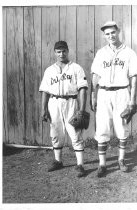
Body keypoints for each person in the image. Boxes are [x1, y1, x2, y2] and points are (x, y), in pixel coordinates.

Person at [90, 21, 137, 178]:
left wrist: (132, 100)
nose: (110, 36)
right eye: (107, 34)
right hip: (104, 93)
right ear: (104, 35)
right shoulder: (101, 53)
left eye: (113, 32)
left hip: (122, 92)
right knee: (102, 128)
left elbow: (133, 78)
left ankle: (121, 160)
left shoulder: (129, 53)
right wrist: (93, 95)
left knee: (121, 127)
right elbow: (95, 76)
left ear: (118, 31)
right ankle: (102, 164)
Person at [39, 41, 88, 177]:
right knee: (55, 133)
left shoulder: (76, 68)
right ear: (55, 53)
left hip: (71, 102)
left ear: (68, 51)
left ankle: (80, 165)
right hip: (54, 102)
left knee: (75, 133)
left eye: (64, 51)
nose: (61, 54)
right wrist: (43, 109)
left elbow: (83, 90)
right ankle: (58, 161)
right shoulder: (49, 70)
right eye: (58, 51)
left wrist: (82, 110)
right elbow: (45, 91)